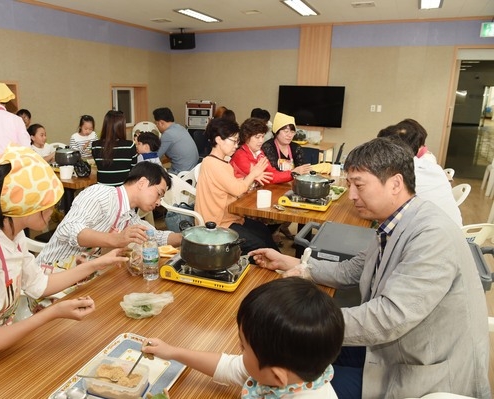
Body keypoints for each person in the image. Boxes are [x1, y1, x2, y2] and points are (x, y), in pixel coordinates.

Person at [250, 138, 491, 399]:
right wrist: (298, 264)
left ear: (396, 184)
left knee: (293, 386)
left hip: (420, 371)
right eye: (350, 184)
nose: (351, 195)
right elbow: (354, 269)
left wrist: (308, 325)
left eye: (359, 185)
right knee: (292, 357)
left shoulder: (431, 234)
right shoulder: (398, 220)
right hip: (391, 350)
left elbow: (389, 317)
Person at [0, 145, 127, 377]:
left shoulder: (12, 233)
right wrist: (52, 313)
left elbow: (40, 285)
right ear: (22, 205)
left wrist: (98, 263)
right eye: (47, 204)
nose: (53, 210)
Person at [142, 277, 344, 398]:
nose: (239, 351)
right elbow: (230, 367)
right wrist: (173, 352)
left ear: (277, 376)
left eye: (242, 347)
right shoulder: (293, 371)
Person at [36, 162, 182, 269]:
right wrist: (115, 239)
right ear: (142, 183)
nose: (158, 202)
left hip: (81, 277)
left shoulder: (129, 215)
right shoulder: (101, 195)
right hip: (48, 275)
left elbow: (156, 236)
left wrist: (188, 238)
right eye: (159, 194)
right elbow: (67, 230)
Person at [195, 118, 279, 255]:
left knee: (263, 230)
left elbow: (235, 186)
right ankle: (264, 271)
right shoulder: (212, 164)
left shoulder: (222, 162)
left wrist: (250, 178)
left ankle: (280, 265)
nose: (236, 145)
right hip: (217, 224)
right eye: (233, 140)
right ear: (219, 140)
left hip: (230, 218)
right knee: (259, 245)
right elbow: (237, 189)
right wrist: (253, 174)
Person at [378, 123, 462, 226]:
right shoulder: (432, 167)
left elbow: (382, 208)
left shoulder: (402, 174)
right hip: (455, 231)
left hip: (434, 235)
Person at [230, 117, 292, 184]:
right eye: (257, 137)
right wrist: (292, 174)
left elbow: (271, 172)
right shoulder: (240, 155)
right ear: (246, 136)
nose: (261, 141)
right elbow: (268, 178)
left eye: (262, 137)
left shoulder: (259, 152)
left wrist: (292, 173)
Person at [91, 110, 137, 186]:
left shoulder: (95, 145)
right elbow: (133, 170)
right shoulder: (130, 145)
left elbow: (100, 165)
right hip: (122, 191)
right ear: (121, 127)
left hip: (103, 191)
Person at [152, 107, 199, 174]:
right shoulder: (180, 127)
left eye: (156, 123)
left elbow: (155, 157)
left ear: (161, 123)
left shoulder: (167, 134)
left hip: (181, 173)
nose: (156, 126)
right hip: (193, 170)